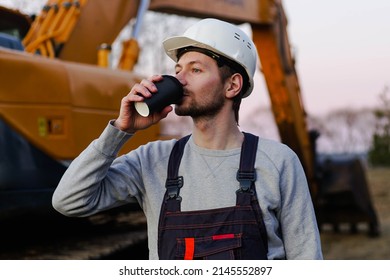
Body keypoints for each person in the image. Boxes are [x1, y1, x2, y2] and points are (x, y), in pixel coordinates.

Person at [52, 18, 323, 260]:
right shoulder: (152, 160)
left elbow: (306, 258)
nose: (178, 79)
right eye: (178, 69)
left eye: (195, 70)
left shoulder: (278, 162)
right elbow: (68, 200)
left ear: (232, 85)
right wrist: (121, 130)